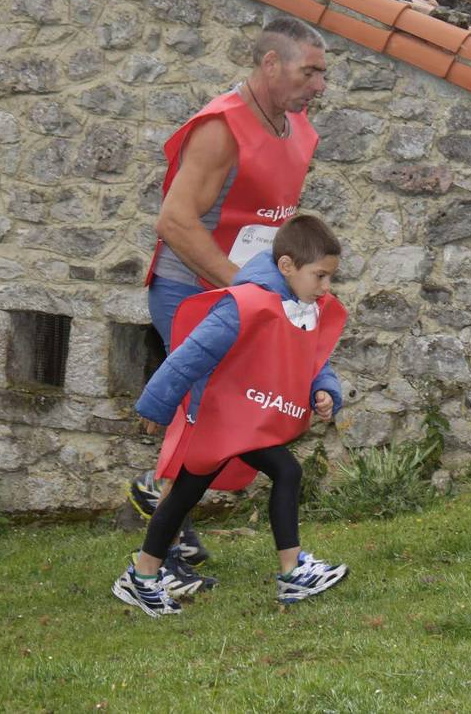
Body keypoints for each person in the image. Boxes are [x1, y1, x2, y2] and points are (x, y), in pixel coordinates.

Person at [128, 15, 329, 577]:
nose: (319, 86)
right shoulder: (221, 127)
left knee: (229, 412)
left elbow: (271, 222)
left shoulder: (298, 126)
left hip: (249, 296)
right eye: (309, 72)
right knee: (213, 413)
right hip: (191, 292)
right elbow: (175, 220)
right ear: (270, 65)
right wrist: (246, 288)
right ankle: (158, 558)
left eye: (323, 74)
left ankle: (160, 500)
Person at [113, 214, 348, 616]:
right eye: (320, 276)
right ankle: (143, 576)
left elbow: (311, 356)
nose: (326, 288)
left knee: (284, 472)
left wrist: (324, 390)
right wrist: (157, 404)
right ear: (287, 266)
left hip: (248, 418)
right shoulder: (245, 305)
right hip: (217, 416)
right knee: (186, 491)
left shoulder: (302, 305)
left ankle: (292, 573)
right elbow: (190, 354)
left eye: (330, 279)